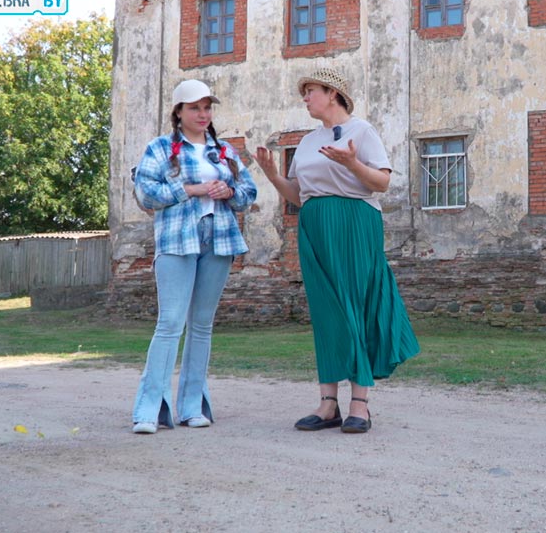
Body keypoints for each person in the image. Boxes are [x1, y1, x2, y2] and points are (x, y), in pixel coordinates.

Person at [253, 67, 419, 434]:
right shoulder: (309, 141)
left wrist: (352, 163)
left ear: (332, 93)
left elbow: (382, 183)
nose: (305, 98)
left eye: (310, 90)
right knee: (326, 309)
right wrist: (270, 174)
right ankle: (328, 404)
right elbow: (299, 194)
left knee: (356, 304)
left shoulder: (362, 131)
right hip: (314, 226)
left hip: (354, 223)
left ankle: (360, 404)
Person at [130, 79, 257, 434]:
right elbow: (147, 193)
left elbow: (249, 193)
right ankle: (149, 410)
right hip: (175, 240)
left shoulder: (225, 152)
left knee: (201, 325)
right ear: (179, 112)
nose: (202, 114)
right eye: (194, 108)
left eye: (207, 107)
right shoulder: (160, 148)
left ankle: (191, 408)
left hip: (219, 240)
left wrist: (227, 190)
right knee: (170, 323)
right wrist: (192, 189)